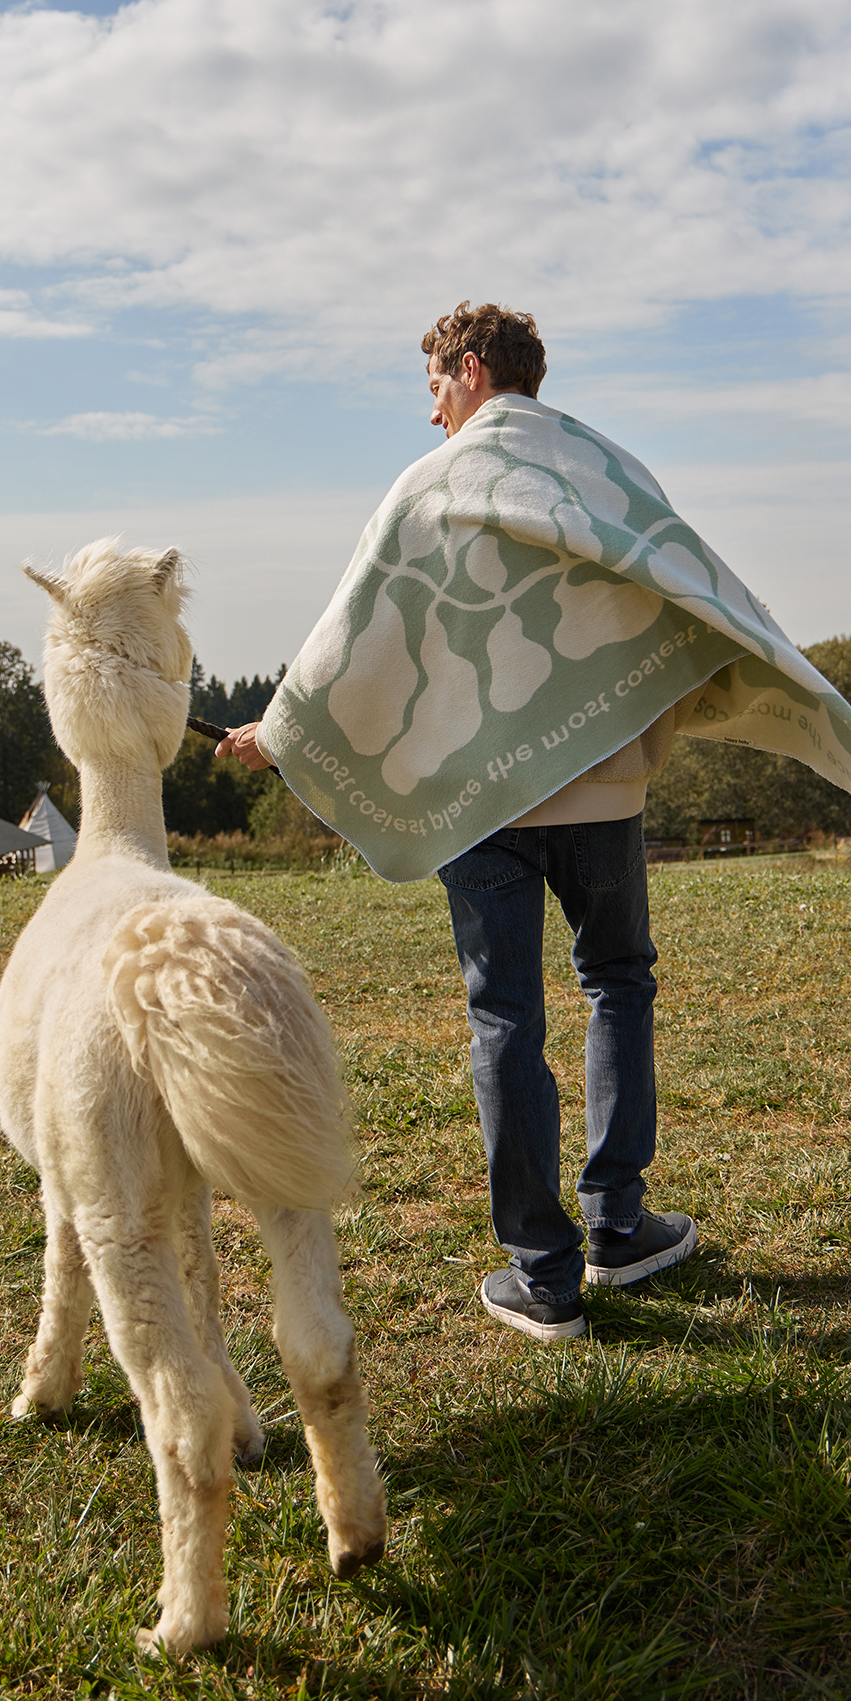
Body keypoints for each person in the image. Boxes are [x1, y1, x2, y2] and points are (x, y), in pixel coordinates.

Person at [217, 303, 697, 1343]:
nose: (431, 411)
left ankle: (544, 1275)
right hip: (600, 785)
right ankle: (619, 1226)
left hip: (482, 803)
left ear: (469, 371)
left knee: (505, 1017)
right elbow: (671, 587)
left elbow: (359, 628)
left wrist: (281, 730)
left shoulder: (430, 489)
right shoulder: (605, 470)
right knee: (617, 982)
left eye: (432, 385)